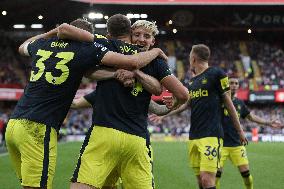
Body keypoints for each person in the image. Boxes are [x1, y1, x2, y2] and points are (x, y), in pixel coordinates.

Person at [5, 19, 166, 189]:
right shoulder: (85, 49)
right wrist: (154, 52)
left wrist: (51, 33)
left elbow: (23, 46)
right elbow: (131, 62)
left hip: (14, 124)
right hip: (39, 126)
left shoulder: (41, 44)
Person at [58, 15, 189, 189]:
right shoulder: (157, 62)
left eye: (146, 36)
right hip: (137, 140)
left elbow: (87, 70)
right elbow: (180, 95)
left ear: (153, 40)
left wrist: (134, 73)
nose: (141, 39)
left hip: (104, 133)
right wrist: (174, 104)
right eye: (138, 34)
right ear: (130, 35)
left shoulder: (110, 47)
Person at [150, 44, 247, 189]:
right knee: (201, 182)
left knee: (208, 180)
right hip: (194, 136)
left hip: (211, 135)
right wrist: (165, 114)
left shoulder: (217, 73)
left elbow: (228, 103)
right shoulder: (192, 82)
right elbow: (184, 105)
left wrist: (239, 131)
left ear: (193, 58)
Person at [215, 77, 283, 189]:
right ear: (226, 85)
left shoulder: (239, 103)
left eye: (236, 83)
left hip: (237, 144)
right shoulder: (218, 101)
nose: (234, 85)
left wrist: (268, 122)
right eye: (231, 83)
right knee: (216, 176)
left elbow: (250, 116)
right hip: (220, 144)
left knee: (246, 175)